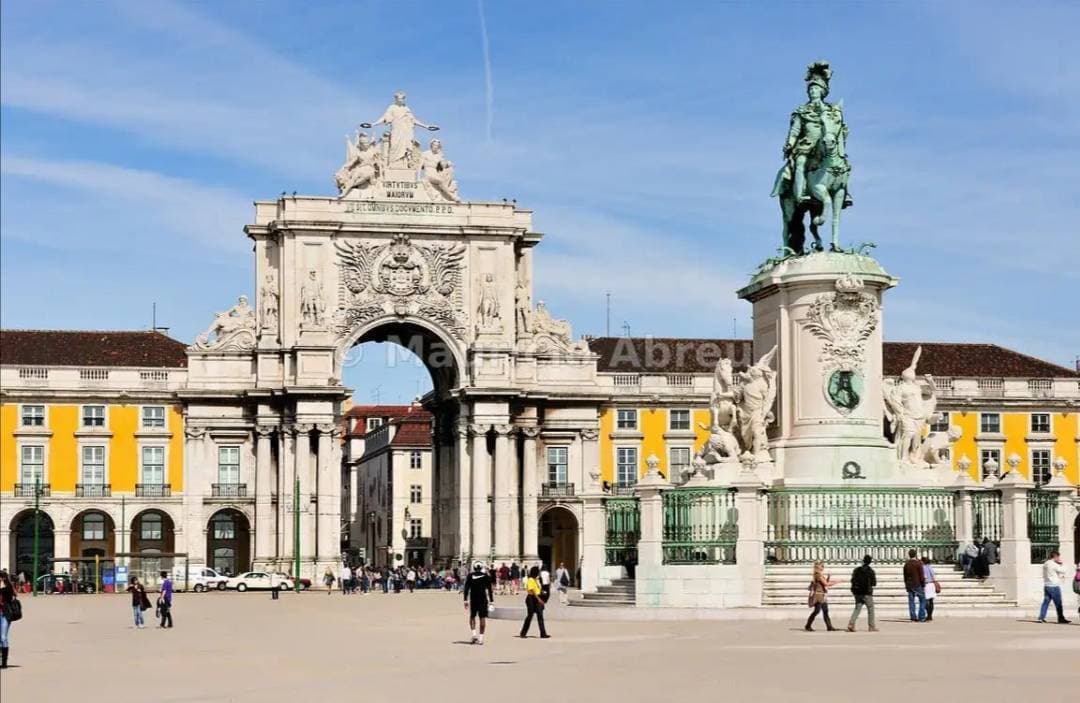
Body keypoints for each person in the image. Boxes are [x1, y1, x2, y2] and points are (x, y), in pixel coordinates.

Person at [462, 563, 494, 645]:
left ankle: (474, 634)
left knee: (472, 616)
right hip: (483, 599)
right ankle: (481, 638)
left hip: (473, 599)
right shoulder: (486, 576)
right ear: (481, 568)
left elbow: (466, 588)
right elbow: (490, 590)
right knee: (482, 618)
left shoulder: (470, 576)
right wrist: (491, 601)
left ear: (474, 568)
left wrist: (465, 600)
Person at [846, 555, 878, 632]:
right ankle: (871, 626)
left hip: (857, 593)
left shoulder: (857, 570)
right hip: (867, 593)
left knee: (857, 609)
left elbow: (852, 580)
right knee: (870, 609)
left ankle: (851, 624)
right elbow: (874, 583)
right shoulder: (871, 571)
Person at [1037, 551, 1071, 624]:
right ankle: (1061, 618)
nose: (1059, 558)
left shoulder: (1046, 563)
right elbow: (1063, 570)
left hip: (1046, 585)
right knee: (1058, 603)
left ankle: (1041, 617)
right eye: (1058, 557)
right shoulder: (1053, 564)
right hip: (1054, 586)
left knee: (1045, 602)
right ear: (1055, 557)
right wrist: (1062, 564)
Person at [804, 561, 837, 632]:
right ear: (818, 567)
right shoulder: (818, 575)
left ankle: (829, 626)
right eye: (821, 566)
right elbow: (826, 584)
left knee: (825, 611)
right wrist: (837, 581)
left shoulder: (820, 575)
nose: (823, 567)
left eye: (823, 566)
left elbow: (823, 584)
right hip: (818, 596)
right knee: (817, 611)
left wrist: (828, 578)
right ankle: (808, 625)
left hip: (822, 595)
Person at [520, 566, 550, 639]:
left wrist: (542, 592)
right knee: (530, 616)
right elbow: (532, 591)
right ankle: (523, 633)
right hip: (531, 598)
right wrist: (539, 599)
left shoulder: (536, 580)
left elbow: (537, 589)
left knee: (540, 616)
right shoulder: (530, 579)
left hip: (537, 597)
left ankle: (543, 633)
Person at [903, 549, 927, 622]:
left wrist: (906, 585)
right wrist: (923, 584)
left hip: (910, 585)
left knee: (911, 601)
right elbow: (921, 575)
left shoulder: (906, 564)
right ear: (915, 555)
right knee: (922, 600)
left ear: (909, 555)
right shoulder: (918, 564)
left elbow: (905, 576)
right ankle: (921, 616)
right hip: (918, 584)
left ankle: (913, 617)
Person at [0, 570, 17, 668]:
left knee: (3, 637)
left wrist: (2, 586)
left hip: (5, 614)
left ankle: (4, 662)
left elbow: (13, 595)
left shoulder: (8, 588)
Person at [922, 556, 939, 622]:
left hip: (927, 585)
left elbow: (924, 577)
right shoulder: (930, 567)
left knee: (926, 601)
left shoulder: (923, 568)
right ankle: (930, 615)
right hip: (932, 584)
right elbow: (934, 576)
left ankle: (928, 615)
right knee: (931, 601)